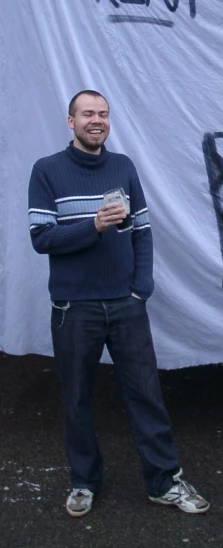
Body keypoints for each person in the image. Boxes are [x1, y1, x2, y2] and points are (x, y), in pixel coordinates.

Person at [27, 89, 209, 517]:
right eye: (87, 113)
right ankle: (84, 482)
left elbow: (142, 230)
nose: (97, 120)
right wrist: (92, 225)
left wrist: (140, 287)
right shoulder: (47, 171)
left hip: (125, 305)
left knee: (146, 394)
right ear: (70, 122)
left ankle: (163, 482)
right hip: (74, 308)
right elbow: (41, 238)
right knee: (77, 398)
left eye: (103, 114)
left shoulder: (123, 167)